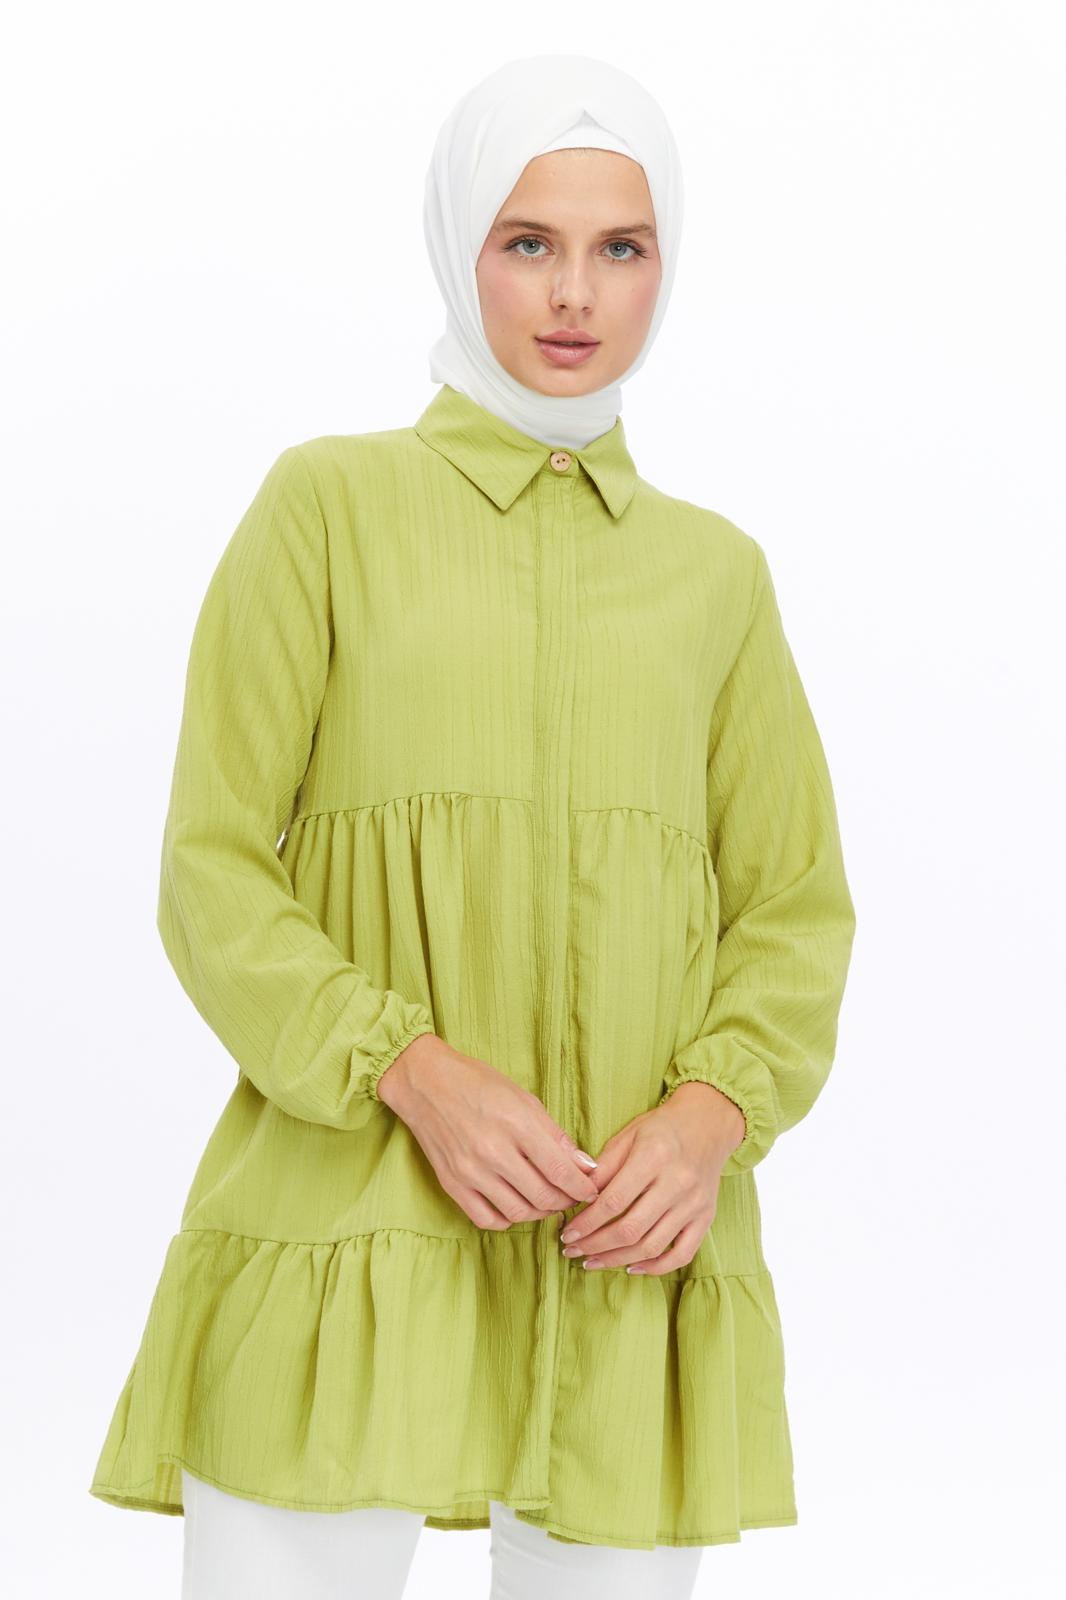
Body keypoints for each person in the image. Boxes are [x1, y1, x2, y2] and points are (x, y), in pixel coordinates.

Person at [89, 52, 856, 1600]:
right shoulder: (325, 507)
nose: (574, 294)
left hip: (620, 1249)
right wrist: (409, 1071)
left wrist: (707, 1120)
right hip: (348, 1225)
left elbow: (792, 909)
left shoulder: (716, 577)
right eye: (528, 242)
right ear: (459, 244)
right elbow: (210, 869)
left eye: (619, 247)